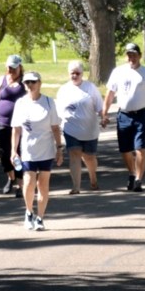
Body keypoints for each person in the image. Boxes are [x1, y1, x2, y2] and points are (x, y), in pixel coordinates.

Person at [101, 43, 145, 193]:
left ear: (140, 56)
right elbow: (110, 94)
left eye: (134, 55)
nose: (132, 58)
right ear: (126, 56)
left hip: (141, 114)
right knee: (125, 150)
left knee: (140, 148)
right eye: (129, 55)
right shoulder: (118, 72)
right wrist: (104, 113)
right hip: (123, 115)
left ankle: (138, 180)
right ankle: (131, 173)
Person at [11, 71, 63, 231]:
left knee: (43, 185)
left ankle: (40, 217)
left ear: (39, 83)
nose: (30, 85)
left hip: (46, 150)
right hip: (28, 151)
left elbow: (55, 127)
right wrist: (13, 151)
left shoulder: (48, 102)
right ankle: (29, 212)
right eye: (27, 82)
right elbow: (16, 130)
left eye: (33, 82)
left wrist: (59, 148)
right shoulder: (20, 103)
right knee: (28, 183)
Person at [56, 60, 102, 194]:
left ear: (82, 74)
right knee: (74, 154)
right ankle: (76, 187)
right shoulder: (63, 90)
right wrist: (56, 126)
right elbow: (58, 111)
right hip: (71, 129)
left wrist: (104, 117)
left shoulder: (90, 88)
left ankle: (93, 178)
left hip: (89, 130)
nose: (75, 76)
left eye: (78, 73)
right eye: (72, 73)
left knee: (89, 157)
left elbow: (99, 106)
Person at [0, 54, 26, 198]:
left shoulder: (25, 83)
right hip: (2, 123)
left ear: (20, 67)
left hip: (20, 126)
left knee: (18, 153)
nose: (11, 70)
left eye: (14, 67)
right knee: (3, 154)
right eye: (9, 67)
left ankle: (20, 185)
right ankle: (11, 176)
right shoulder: (0, 81)